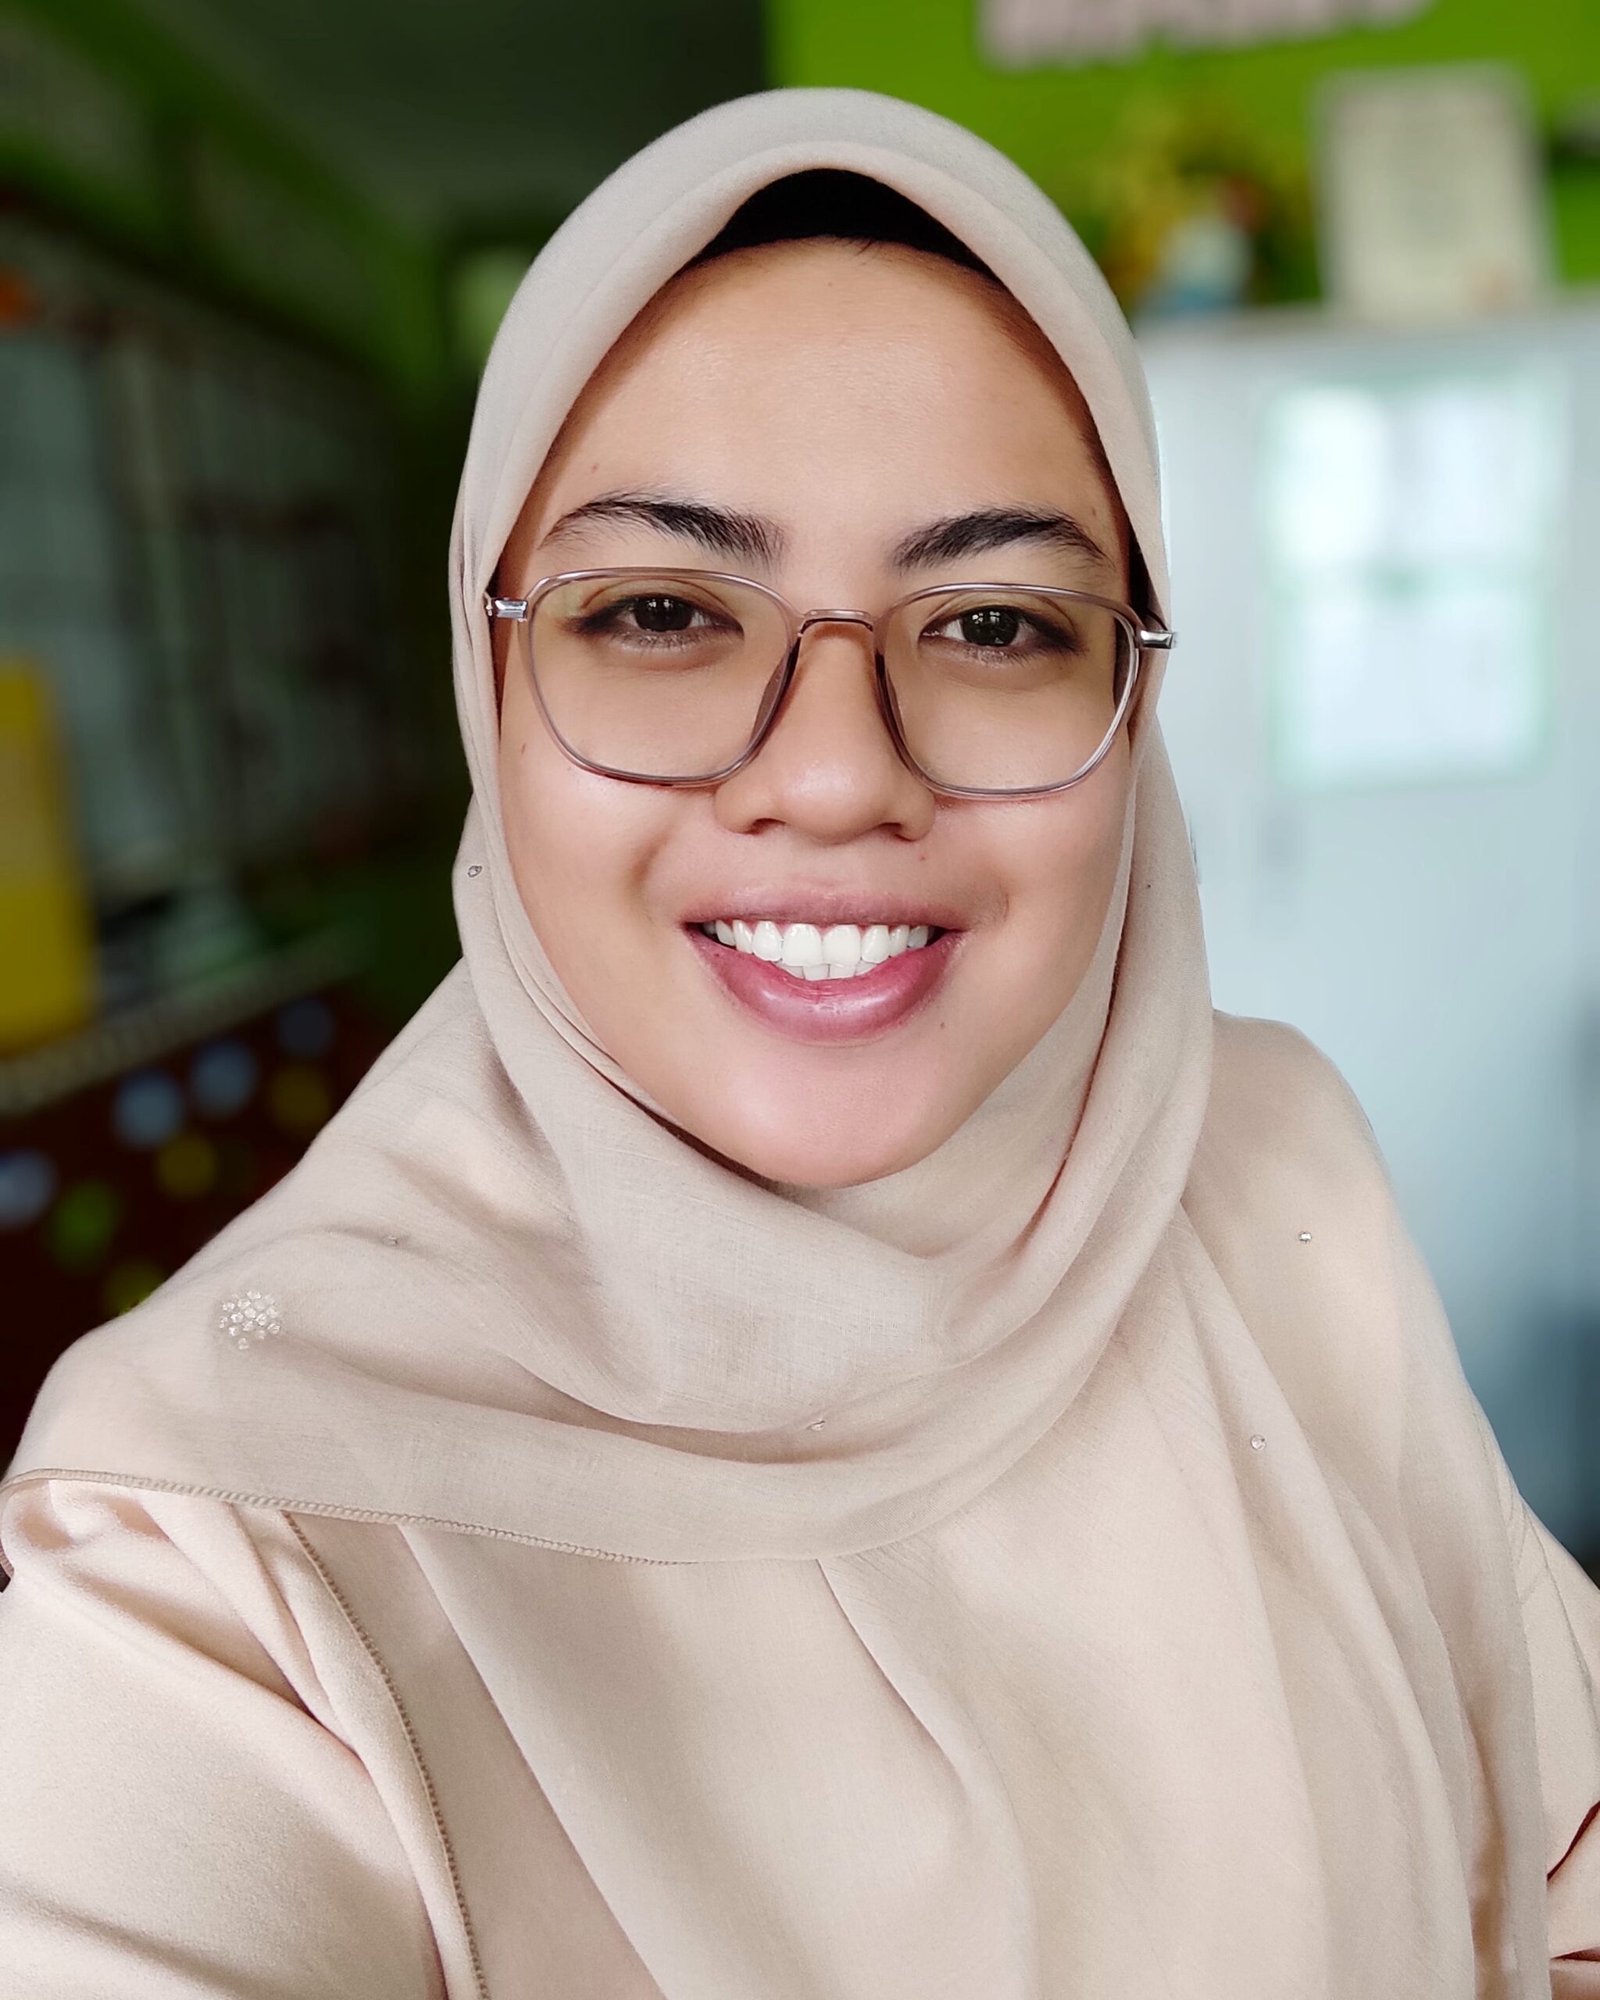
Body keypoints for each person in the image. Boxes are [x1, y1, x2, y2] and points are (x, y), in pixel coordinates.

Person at [0, 87, 1596, 1999]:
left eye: (994, 625)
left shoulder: (1259, 1156)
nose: (835, 775)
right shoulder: (217, 1536)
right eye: (662, 610)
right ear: (486, 676)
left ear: (1138, 694)